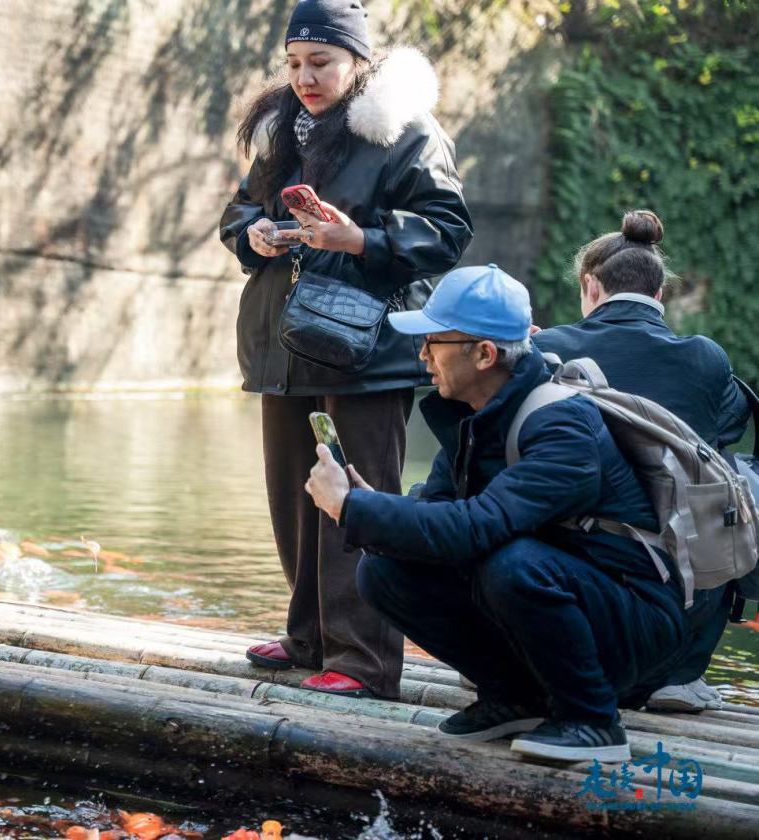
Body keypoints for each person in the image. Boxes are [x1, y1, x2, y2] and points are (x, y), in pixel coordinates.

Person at [306, 264, 685, 762]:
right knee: (383, 569)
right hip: (563, 597)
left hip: (634, 623)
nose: (422, 355)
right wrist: (364, 505)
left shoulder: (562, 426)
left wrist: (353, 506)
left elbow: (476, 529)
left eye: (433, 342)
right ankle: (516, 699)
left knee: (513, 564)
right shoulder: (473, 420)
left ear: (484, 354)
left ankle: (592, 722)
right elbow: (437, 519)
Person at [218, 0, 472, 698]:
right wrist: (257, 235)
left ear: (359, 63)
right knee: (293, 498)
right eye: (295, 62)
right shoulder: (282, 133)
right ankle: (309, 638)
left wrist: (355, 237)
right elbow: (238, 211)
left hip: (366, 351)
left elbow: (447, 231)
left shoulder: (405, 131)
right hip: (283, 343)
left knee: (358, 499)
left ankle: (363, 660)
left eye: (321, 62)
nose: (305, 76)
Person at [533, 210, 749, 712]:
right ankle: (683, 672)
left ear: (590, 285)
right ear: (659, 296)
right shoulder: (705, 357)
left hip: (567, 570)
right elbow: (727, 430)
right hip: (675, 585)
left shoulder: (549, 348)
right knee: (733, 483)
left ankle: (516, 655)